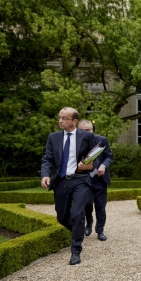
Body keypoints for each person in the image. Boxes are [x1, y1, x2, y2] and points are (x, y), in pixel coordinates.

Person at [41, 107, 97, 265]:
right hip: (61, 181)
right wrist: (45, 174)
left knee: (77, 213)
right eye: (60, 117)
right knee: (62, 217)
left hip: (80, 180)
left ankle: (76, 250)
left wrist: (90, 166)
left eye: (65, 118)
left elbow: (95, 156)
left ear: (74, 121)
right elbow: (48, 159)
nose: (60, 121)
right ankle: (78, 231)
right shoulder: (53, 137)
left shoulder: (86, 136)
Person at [78, 120, 113, 241]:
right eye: (82, 130)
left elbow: (109, 156)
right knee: (87, 204)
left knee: (100, 206)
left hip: (99, 179)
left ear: (92, 130)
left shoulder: (102, 140)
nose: (85, 133)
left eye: (87, 130)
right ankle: (89, 223)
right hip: (84, 179)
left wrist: (104, 165)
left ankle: (100, 231)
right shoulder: (75, 142)